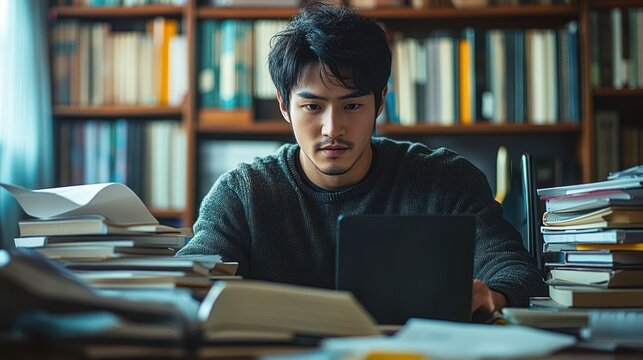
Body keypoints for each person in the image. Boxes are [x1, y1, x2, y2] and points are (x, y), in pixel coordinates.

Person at [178, 2, 545, 321]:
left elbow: (517, 271)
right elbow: (187, 281)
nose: (332, 128)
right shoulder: (243, 193)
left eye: (352, 105)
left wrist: (490, 297)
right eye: (312, 106)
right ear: (283, 105)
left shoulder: (444, 179)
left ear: (380, 102)